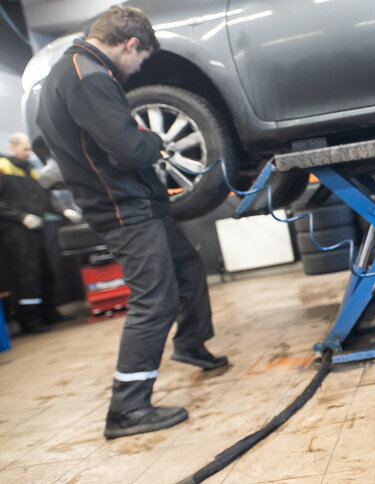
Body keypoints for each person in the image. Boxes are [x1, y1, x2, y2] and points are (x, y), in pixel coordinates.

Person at [36, 5, 227, 439]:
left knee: (188, 268)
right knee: (153, 301)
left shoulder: (71, 71)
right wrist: (153, 139)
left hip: (139, 203)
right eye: (141, 59)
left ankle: (191, 345)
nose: (139, 67)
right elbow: (131, 151)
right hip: (124, 210)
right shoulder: (89, 78)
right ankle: (127, 408)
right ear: (131, 44)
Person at [0, 132, 80, 333]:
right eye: (24, 149)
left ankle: (49, 313)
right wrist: (21, 217)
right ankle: (30, 321)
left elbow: (45, 195)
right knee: (27, 276)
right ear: (13, 147)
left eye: (29, 149)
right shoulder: (3, 167)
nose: (28, 153)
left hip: (36, 230)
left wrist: (64, 210)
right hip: (16, 233)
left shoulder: (32, 170)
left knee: (46, 271)